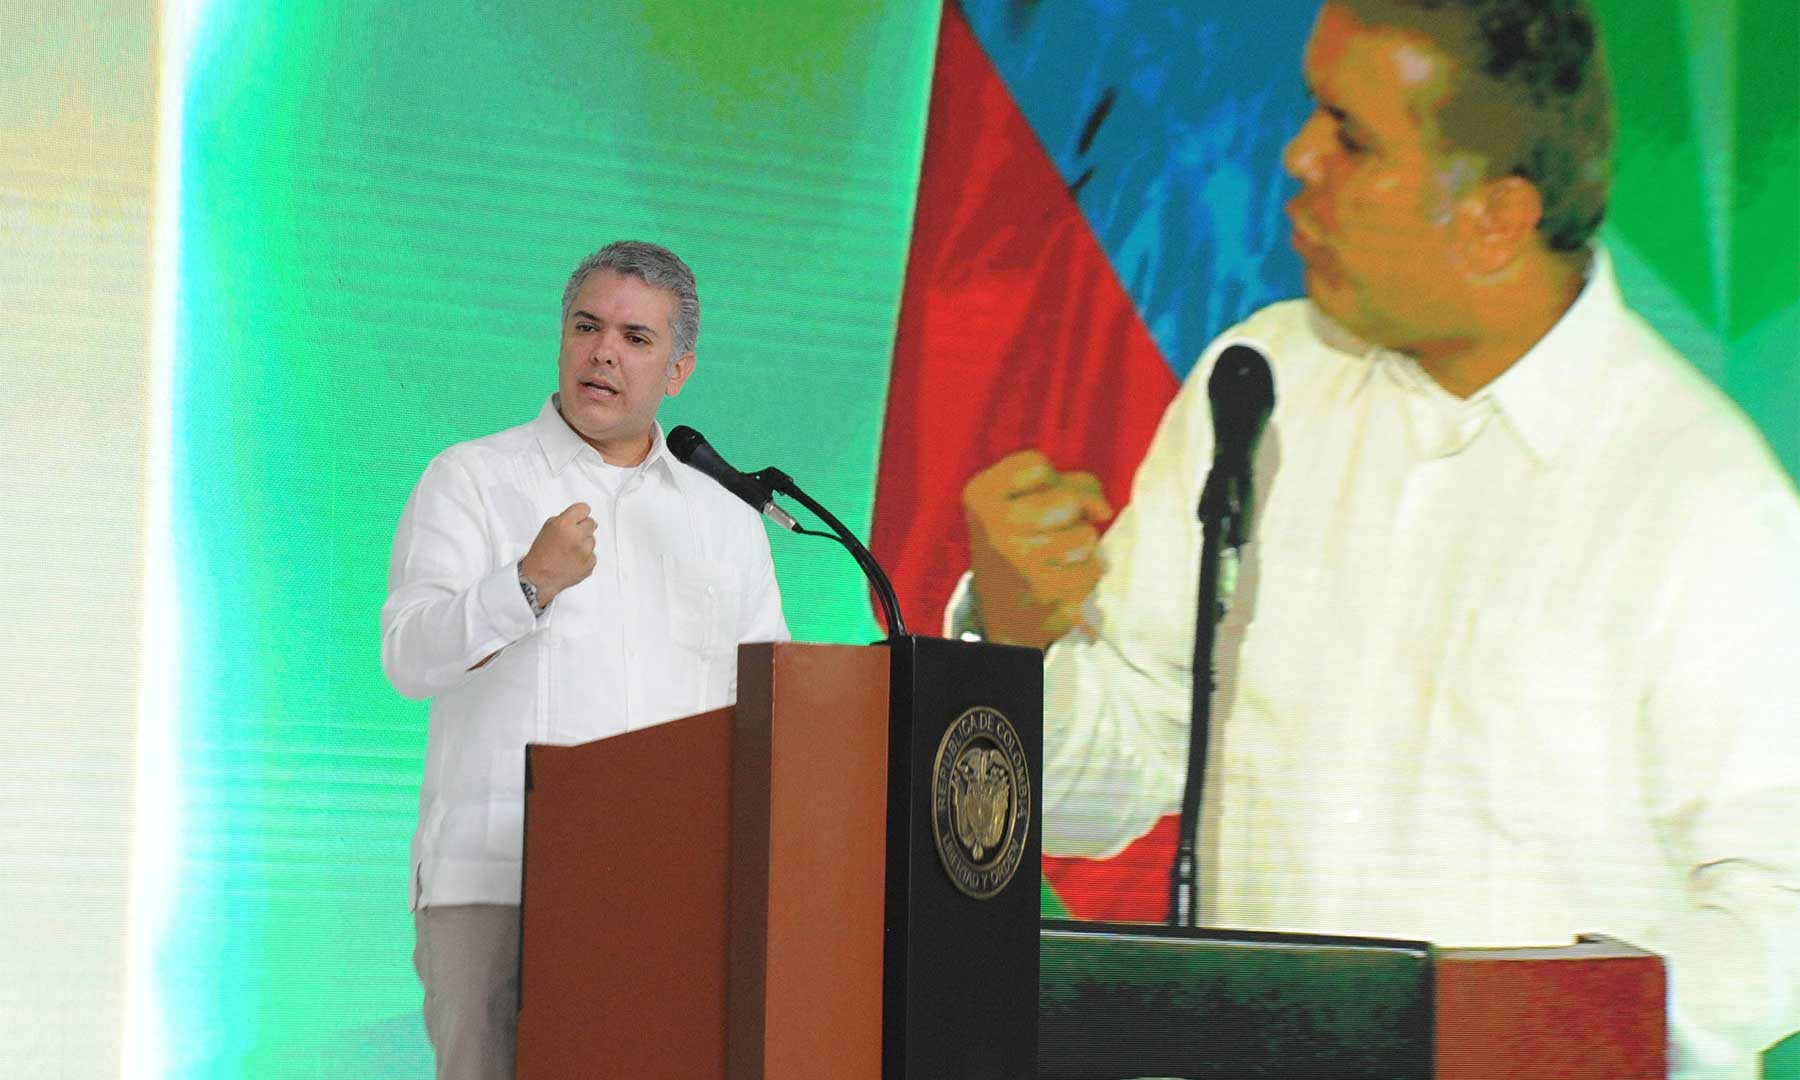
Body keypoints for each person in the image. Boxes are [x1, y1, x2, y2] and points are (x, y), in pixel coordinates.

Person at [957, 2, 1800, 1076]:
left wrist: (1542, 1035)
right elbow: (1102, 785)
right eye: (1316, 112)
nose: (1298, 157)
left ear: (1496, 218)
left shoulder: (1698, 497)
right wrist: (1017, 646)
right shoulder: (1257, 386)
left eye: (1350, 135)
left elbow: (1782, 901)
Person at [380, 240, 788, 1079]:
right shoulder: (472, 479)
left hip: (666, 891)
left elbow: (771, 704)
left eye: (637, 339)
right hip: (500, 881)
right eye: (586, 326)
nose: (604, 351)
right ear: (562, 339)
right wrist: (525, 586)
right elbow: (409, 657)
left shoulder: (725, 518)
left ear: (678, 372)